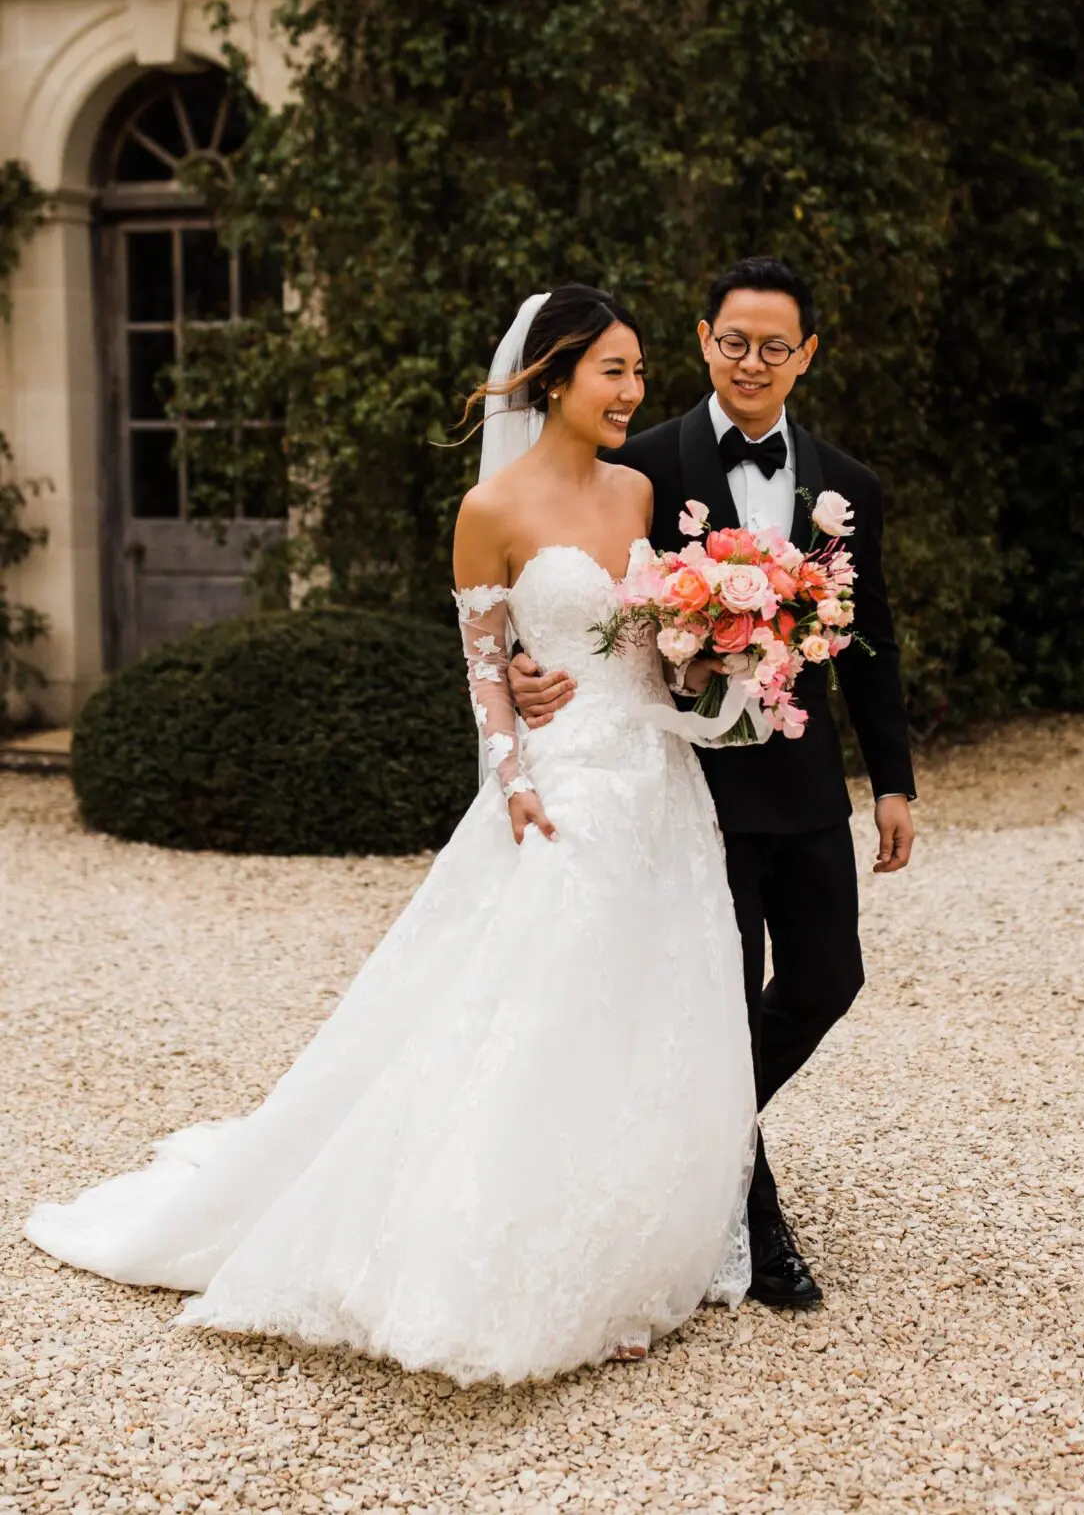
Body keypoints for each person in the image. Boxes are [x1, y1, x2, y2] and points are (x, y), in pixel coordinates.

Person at [24, 284, 758, 1385]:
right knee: (553, 1010)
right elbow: (483, 670)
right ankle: (507, 1255)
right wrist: (512, 778)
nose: (634, 391)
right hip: (563, 793)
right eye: (615, 370)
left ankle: (628, 1256)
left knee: (656, 1006)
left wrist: (718, 649)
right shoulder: (491, 512)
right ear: (554, 378)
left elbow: (648, 648)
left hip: (656, 776)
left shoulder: (642, 488)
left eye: (640, 371)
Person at [511, 257, 917, 1310]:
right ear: (705, 341)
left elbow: (873, 638)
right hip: (684, 783)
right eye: (733, 341)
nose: (750, 361)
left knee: (830, 978)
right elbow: (566, 579)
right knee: (721, 1003)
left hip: (806, 782)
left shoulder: (849, 487)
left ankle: (680, 1134)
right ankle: (757, 1224)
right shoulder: (642, 466)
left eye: (773, 345)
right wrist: (522, 658)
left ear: (805, 355)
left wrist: (894, 781)